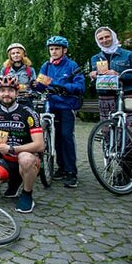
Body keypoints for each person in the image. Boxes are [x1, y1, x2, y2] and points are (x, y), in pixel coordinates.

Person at [0, 75, 45, 213]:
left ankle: (27, 194)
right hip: (6, 161)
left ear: (17, 93)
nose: (6, 94)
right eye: (2, 90)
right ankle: (15, 180)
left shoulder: (29, 113)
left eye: (10, 90)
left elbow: (40, 145)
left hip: (28, 159)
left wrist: (12, 149)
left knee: (25, 159)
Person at [34, 35, 85, 189]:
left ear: (64, 50)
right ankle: (61, 168)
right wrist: (35, 85)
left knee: (66, 137)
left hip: (66, 106)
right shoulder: (47, 66)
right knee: (54, 139)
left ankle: (71, 172)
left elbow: (80, 86)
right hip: (51, 106)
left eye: (57, 49)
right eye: (51, 49)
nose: (54, 52)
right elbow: (41, 85)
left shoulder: (71, 65)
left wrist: (63, 87)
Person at [89, 27, 132, 146]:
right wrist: (93, 74)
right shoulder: (95, 58)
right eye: (101, 38)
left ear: (113, 37)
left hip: (128, 95)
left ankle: (130, 158)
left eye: (107, 36)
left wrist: (119, 75)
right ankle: (110, 155)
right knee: (109, 132)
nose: (104, 40)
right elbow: (96, 76)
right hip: (106, 98)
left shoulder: (130, 55)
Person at [0, 43, 37, 108]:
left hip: (25, 101)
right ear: (10, 56)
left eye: (18, 53)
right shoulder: (5, 70)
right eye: (13, 53)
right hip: (10, 101)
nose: (15, 55)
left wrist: (29, 92)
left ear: (23, 54)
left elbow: (33, 85)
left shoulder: (30, 70)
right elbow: (1, 85)